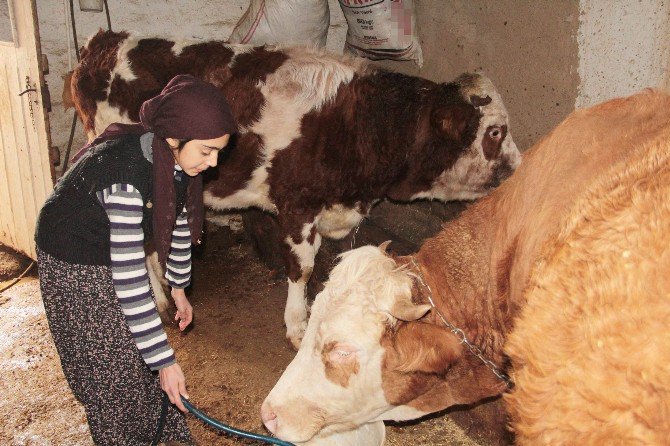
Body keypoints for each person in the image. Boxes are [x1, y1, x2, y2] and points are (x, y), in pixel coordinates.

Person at [35, 75, 236, 445]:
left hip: (105, 243)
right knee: (109, 361)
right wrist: (164, 360)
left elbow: (176, 220)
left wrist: (178, 286)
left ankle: (164, 433)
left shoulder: (171, 160)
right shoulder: (127, 181)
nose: (213, 163)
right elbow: (130, 281)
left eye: (219, 152)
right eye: (207, 151)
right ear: (175, 137)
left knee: (137, 344)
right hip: (73, 253)